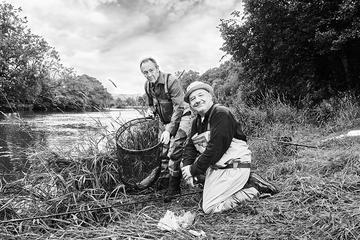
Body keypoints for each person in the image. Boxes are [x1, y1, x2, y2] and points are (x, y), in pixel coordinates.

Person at [181, 81, 278, 214]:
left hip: (235, 164)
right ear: (190, 105)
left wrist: (193, 170)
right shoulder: (196, 121)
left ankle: (255, 188)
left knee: (209, 208)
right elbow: (190, 147)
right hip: (218, 166)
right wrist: (187, 168)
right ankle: (242, 182)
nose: (197, 100)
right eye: (192, 99)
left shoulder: (221, 113)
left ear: (210, 96)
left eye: (200, 95)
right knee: (196, 175)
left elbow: (215, 149)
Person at [140, 57, 192, 202]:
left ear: (157, 68)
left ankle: (174, 188)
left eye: (151, 70)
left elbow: (179, 108)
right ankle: (163, 184)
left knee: (175, 149)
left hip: (183, 117)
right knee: (163, 152)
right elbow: (151, 104)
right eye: (145, 72)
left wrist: (169, 130)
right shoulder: (147, 86)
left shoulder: (171, 81)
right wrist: (151, 111)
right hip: (164, 121)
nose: (149, 74)